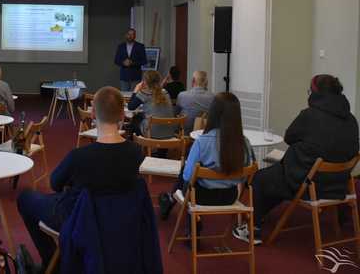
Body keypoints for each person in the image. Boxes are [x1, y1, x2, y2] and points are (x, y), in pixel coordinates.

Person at [17, 87, 144, 269]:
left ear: (92, 114)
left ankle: (52, 262)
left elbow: (55, 184)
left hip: (78, 219)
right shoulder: (136, 153)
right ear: (122, 116)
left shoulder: (79, 156)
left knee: (25, 198)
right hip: (120, 221)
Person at [232, 75, 359, 245]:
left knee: (260, 179)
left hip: (307, 182)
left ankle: (252, 228)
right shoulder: (351, 119)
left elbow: (289, 137)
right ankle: (260, 215)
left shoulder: (309, 115)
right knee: (274, 178)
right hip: (338, 184)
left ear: (315, 93)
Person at [159, 93, 255, 221]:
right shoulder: (245, 143)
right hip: (230, 196)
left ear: (213, 113)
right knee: (191, 173)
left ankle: (190, 226)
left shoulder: (202, 142)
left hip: (201, 196)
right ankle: (170, 200)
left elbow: (188, 177)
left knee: (187, 172)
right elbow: (246, 174)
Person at [128, 70, 177, 139]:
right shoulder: (165, 92)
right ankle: (162, 149)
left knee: (135, 120)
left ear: (145, 82)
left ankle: (137, 147)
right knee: (142, 117)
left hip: (152, 133)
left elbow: (130, 107)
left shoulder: (144, 94)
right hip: (169, 132)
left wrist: (136, 90)